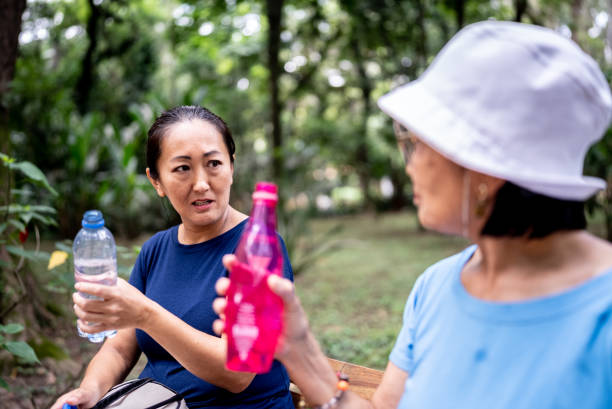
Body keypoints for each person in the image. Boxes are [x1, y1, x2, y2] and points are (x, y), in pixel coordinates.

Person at [213, 21, 612, 409]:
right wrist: (298, 350)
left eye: (415, 144)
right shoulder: (435, 288)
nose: (409, 166)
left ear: (483, 171)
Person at [51, 106, 295, 409]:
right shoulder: (155, 249)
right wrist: (89, 391)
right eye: (182, 168)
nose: (202, 183)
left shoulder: (260, 248)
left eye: (214, 163)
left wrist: (146, 314)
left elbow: (239, 372)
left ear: (231, 167)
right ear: (156, 181)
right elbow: (120, 349)